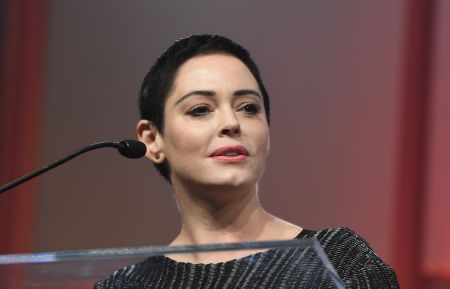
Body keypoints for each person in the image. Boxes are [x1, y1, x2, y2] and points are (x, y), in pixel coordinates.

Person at [94, 35, 399, 288]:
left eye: (248, 108)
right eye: (201, 109)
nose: (231, 123)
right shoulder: (124, 285)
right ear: (151, 139)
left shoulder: (337, 258)